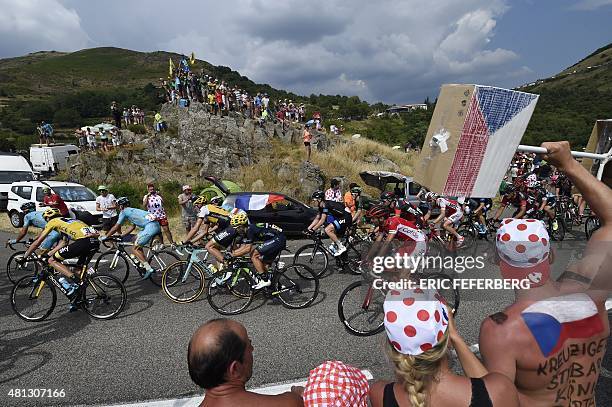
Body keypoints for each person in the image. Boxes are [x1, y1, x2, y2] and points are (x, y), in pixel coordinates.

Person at [479, 141, 611, 407]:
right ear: (549, 255)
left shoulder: (501, 330)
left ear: (499, 263)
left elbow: (501, 402)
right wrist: (569, 164)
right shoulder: (588, 290)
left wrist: (456, 342)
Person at [370, 288, 520, 407]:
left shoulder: (380, 395)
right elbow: (487, 390)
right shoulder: (500, 390)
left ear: (392, 345)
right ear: (446, 339)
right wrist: (455, 338)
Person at [187, 318, 303, 407]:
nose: (252, 349)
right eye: (249, 345)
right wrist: (298, 395)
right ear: (235, 369)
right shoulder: (289, 403)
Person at [21, 208, 100, 298]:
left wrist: (25, 257)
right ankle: (79, 299)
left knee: (52, 261)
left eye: (45, 219)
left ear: (47, 218)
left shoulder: (53, 221)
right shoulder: (70, 221)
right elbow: (64, 242)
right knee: (78, 270)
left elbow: (38, 242)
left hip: (84, 242)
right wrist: (48, 254)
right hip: (95, 242)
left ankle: (77, 281)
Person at [224, 210, 286, 289]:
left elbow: (247, 249)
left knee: (254, 255)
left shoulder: (250, 230)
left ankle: (265, 280)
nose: (236, 230)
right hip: (278, 238)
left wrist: (232, 255)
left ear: (241, 226)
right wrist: (234, 253)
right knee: (264, 265)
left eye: (236, 228)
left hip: (278, 239)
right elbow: (246, 246)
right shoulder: (250, 228)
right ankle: (275, 286)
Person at [103, 197, 161, 280]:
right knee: (135, 239)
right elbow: (132, 227)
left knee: (134, 249)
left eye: (119, 206)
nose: (119, 208)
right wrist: (122, 236)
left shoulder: (124, 212)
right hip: (155, 226)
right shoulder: (132, 210)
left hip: (150, 227)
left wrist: (106, 236)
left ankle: (148, 268)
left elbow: (116, 227)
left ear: (121, 206)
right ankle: (142, 263)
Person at [307, 190, 352, 256]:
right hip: (340, 217)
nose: (313, 202)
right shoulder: (321, 207)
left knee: (328, 229)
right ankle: (343, 259)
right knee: (332, 246)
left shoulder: (326, 205)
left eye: (314, 200)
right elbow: (317, 219)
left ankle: (341, 247)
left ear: (319, 200)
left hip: (346, 217)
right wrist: (308, 229)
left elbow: (322, 220)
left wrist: (313, 230)